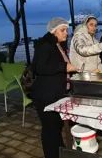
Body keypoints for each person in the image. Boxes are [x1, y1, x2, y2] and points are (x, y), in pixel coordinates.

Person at [30, 17, 77, 158]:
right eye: (62, 30)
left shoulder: (57, 44)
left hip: (55, 92)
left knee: (56, 127)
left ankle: (59, 151)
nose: (66, 33)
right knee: (50, 129)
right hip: (45, 94)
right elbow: (39, 67)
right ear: (53, 31)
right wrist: (64, 67)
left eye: (67, 30)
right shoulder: (44, 45)